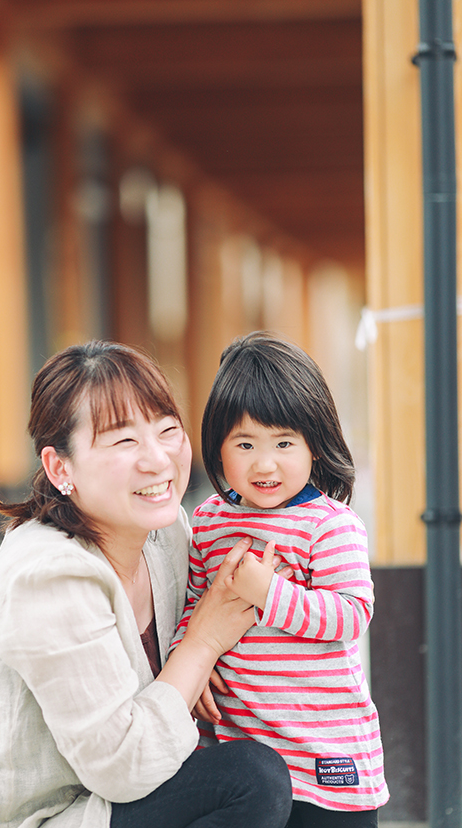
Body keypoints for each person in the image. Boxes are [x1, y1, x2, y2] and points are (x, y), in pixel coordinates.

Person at [0, 340, 292, 828]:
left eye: (166, 431)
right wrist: (201, 644)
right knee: (251, 778)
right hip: (40, 817)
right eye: (124, 442)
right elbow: (122, 767)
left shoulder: (165, 535)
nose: (158, 460)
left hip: (108, 805)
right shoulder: (47, 575)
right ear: (60, 468)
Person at [171, 332, 389, 828]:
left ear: (316, 445)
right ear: (218, 448)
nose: (264, 463)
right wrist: (192, 659)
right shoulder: (208, 521)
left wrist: (268, 593)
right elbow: (193, 603)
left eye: (284, 442)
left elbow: (351, 614)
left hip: (325, 756)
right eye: (244, 443)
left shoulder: (330, 524)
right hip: (239, 746)